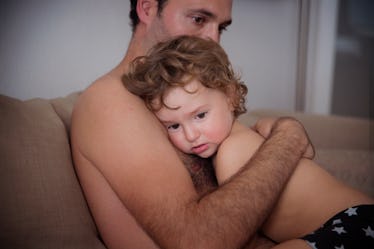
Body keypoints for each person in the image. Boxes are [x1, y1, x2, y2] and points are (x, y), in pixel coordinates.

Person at [71, 1, 315, 248]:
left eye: (222, 28)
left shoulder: (187, 94)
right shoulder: (112, 101)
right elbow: (197, 241)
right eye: (198, 19)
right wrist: (288, 139)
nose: (214, 40)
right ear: (147, 9)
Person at [123, 35, 374, 249]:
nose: (190, 135)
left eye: (200, 115)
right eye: (174, 126)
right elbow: (305, 150)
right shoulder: (258, 131)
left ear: (231, 96)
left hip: (352, 222)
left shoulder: (231, 153)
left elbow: (236, 232)